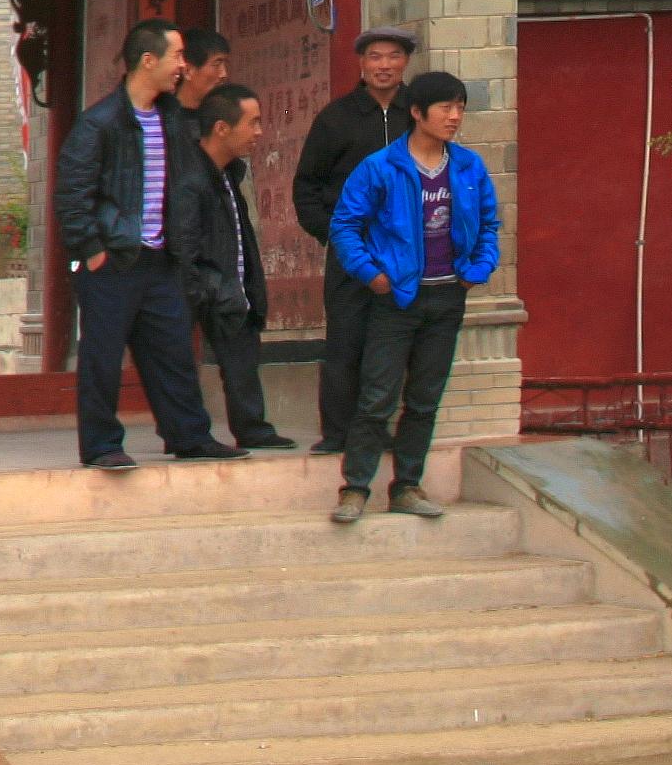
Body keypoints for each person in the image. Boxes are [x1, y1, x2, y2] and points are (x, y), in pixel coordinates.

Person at [53, 17, 234, 468]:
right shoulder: (100, 123)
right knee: (103, 358)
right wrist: (92, 250)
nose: (183, 66)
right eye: (177, 56)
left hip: (160, 259)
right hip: (112, 262)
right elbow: (72, 194)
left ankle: (190, 436)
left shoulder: (172, 119)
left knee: (173, 352)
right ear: (148, 61)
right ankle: (102, 446)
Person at [322, 69, 497, 525]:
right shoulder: (380, 167)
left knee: (424, 398)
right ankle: (355, 488)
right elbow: (345, 226)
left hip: (448, 297)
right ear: (417, 112)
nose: (454, 116)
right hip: (396, 300)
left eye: (460, 108)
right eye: (445, 107)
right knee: (377, 396)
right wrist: (372, 275)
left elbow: (490, 224)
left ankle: (407, 486)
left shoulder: (468, 167)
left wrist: (476, 271)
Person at [288, 31, 421, 458]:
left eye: (393, 57)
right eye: (375, 57)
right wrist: (332, 233)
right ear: (361, 64)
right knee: (345, 340)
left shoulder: (417, 115)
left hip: (407, 252)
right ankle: (337, 432)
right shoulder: (336, 118)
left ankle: (376, 430)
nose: (384, 65)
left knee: (393, 343)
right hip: (351, 249)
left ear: (405, 62)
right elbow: (307, 185)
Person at [189, 83, 283, 451]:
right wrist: (203, 285)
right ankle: (190, 436)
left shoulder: (231, 173)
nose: (259, 132)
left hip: (231, 286)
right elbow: (184, 240)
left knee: (242, 358)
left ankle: (252, 428)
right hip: (201, 285)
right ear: (221, 128)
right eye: (253, 123)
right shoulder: (190, 176)